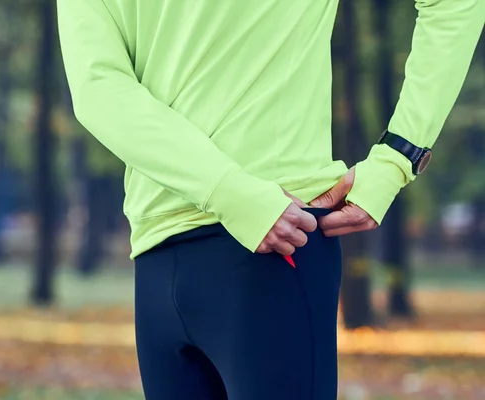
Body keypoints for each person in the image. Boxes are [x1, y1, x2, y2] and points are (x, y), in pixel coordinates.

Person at [58, 0, 485, 398]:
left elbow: (99, 86)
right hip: (259, 239)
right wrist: (398, 157)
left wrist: (396, 160)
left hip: (235, 241)